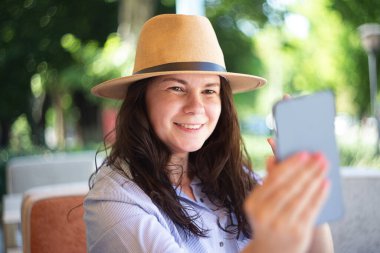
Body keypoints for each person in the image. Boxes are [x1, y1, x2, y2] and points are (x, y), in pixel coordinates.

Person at [84, 14, 334, 253]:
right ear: (141, 100)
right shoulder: (115, 201)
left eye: (209, 91)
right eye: (176, 88)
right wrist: (270, 241)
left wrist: (310, 195)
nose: (196, 107)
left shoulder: (233, 176)